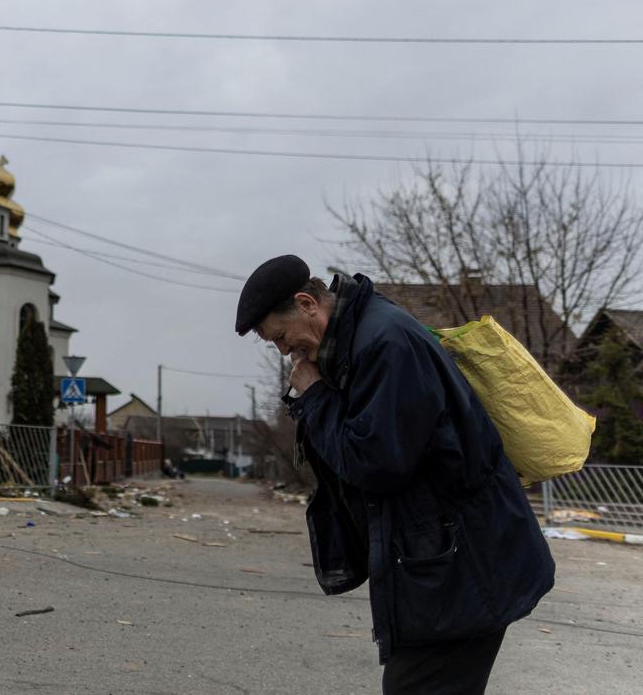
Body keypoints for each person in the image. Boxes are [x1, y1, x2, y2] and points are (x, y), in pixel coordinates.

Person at [235, 255, 554, 694]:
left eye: (281, 337)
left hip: (463, 570)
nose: (285, 350)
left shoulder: (385, 344)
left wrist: (314, 397)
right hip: (445, 565)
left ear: (308, 303)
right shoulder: (363, 338)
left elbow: (375, 463)